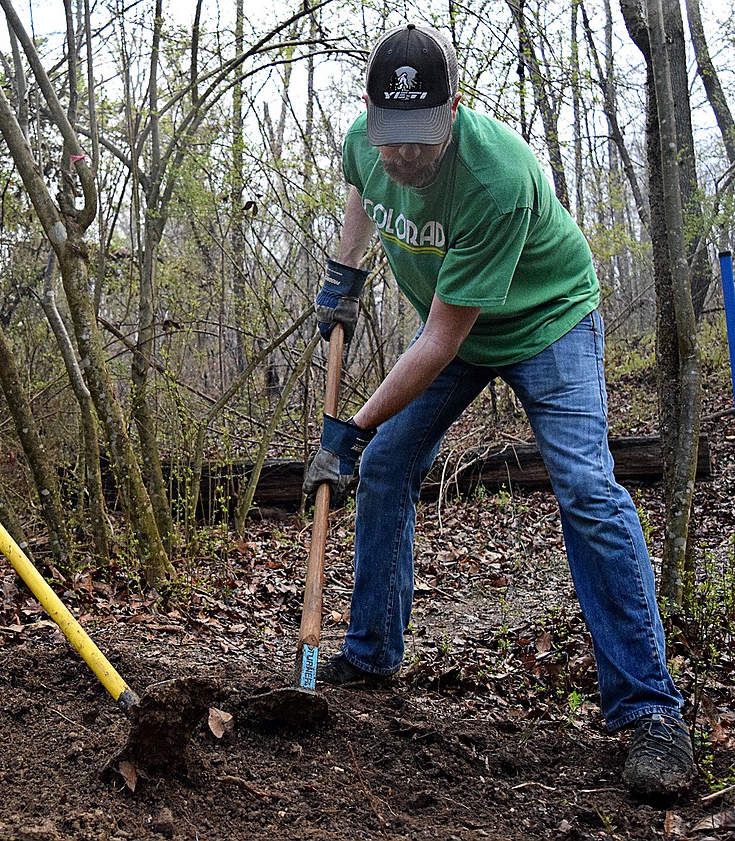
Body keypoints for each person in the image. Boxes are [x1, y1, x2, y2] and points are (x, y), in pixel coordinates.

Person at [304, 24, 694, 801]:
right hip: (457, 331)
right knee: (385, 467)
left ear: (455, 110)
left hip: (546, 320)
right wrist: (343, 271)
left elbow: (442, 341)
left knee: (585, 486)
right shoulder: (367, 142)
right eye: (391, 138)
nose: (403, 156)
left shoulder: (497, 176)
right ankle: (372, 652)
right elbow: (361, 186)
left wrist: (351, 427)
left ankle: (650, 710)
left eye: (419, 140)